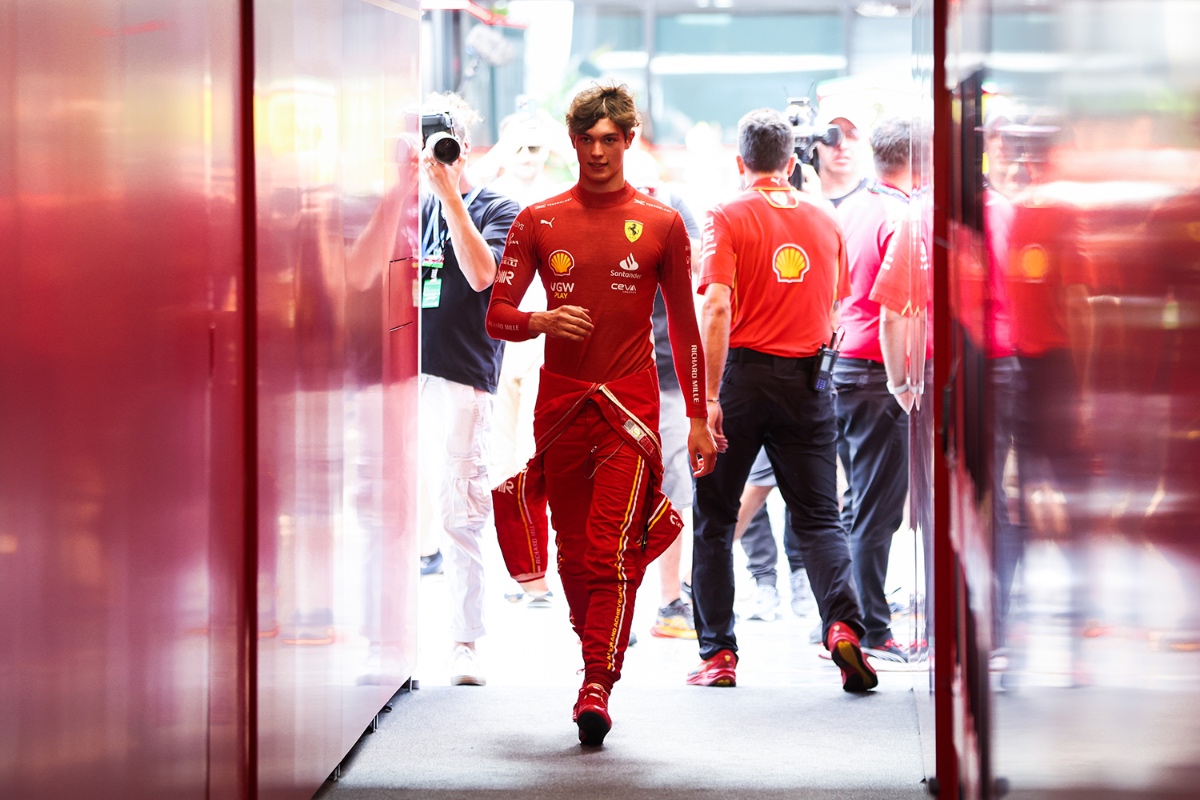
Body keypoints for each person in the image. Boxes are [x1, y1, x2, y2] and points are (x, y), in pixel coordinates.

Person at [485, 82, 717, 745]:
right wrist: (540, 319)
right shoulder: (538, 220)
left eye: (609, 139)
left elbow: (685, 328)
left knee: (611, 548)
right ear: (573, 142)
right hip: (558, 409)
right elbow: (497, 316)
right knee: (575, 555)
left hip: (631, 409)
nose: (596, 150)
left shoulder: (664, 223)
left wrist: (698, 416)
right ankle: (597, 653)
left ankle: (596, 682)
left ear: (629, 141)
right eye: (586, 139)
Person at [690, 107, 877, 693]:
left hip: (742, 381)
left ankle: (719, 654)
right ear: (793, 162)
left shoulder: (725, 214)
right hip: (809, 382)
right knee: (821, 516)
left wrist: (708, 395)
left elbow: (716, 306)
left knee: (717, 519)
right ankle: (843, 626)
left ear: (740, 162)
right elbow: (832, 306)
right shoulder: (827, 220)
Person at [417, 92, 520, 686]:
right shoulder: (407, 206)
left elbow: (484, 275)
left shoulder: (499, 207)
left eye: (445, 142)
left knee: (461, 507)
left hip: (460, 372)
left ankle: (465, 643)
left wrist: (450, 196)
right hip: (402, 371)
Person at [831, 117, 915, 663]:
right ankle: (872, 629)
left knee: (856, 503)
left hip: (843, 365)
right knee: (877, 511)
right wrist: (903, 382)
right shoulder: (899, 216)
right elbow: (895, 312)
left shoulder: (850, 208)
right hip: (876, 372)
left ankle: (847, 621)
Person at [482, 109, 570, 610]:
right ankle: (520, 569)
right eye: (518, 147)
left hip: (544, 342)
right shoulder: (489, 198)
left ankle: (540, 569)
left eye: (534, 148)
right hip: (498, 343)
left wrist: (554, 145)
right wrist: (504, 147)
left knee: (538, 455)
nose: (525, 156)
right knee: (502, 461)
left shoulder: (563, 197)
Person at [625, 147, 703, 640]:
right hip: (612, 378)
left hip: (667, 377)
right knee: (614, 492)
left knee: (673, 489)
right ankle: (617, 606)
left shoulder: (675, 205)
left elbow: (693, 277)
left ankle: (670, 601)